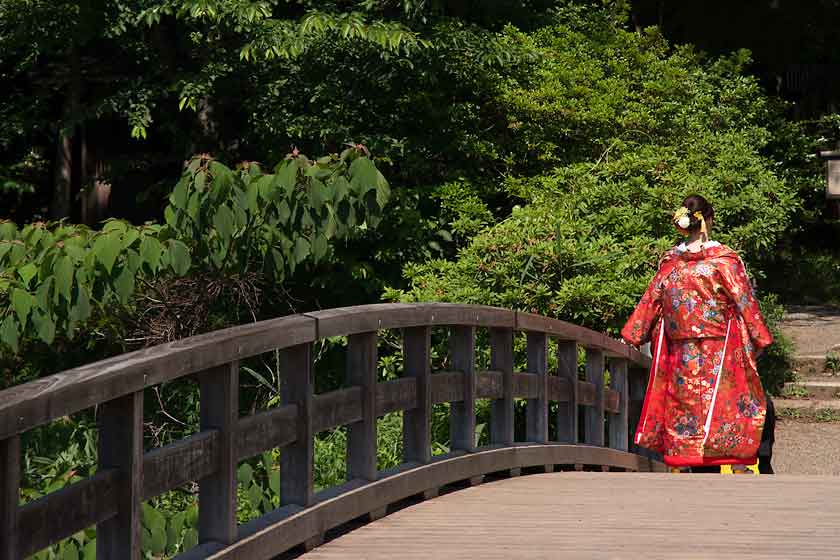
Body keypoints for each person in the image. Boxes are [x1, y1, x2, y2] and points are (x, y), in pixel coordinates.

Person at [621, 195, 773, 473]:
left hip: (681, 349)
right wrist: (759, 336)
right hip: (722, 345)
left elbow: (652, 300)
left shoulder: (671, 262)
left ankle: (685, 460)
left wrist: (633, 334)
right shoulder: (724, 260)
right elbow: (743, 299)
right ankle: (731, 458)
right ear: (708, 220)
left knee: (685, 404)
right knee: (726, 403)